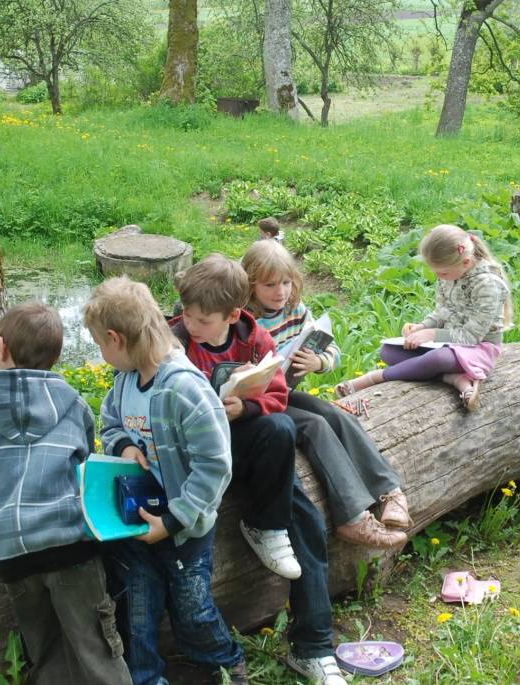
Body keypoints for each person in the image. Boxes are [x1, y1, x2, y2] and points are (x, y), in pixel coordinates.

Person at [171, 254, 349, 685]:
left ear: (233, 315)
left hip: (249, 448)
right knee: (296, 500)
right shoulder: (173, 338)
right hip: (194, 460)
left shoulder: (254, 339)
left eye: (203, 320)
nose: (192, 325)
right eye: (188, 315)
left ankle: (313, 648)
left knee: (304, 516)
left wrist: (245, 407)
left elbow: (277, 396)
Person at [0, 302, 133, 685]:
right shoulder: (74, 404)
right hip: (71, 545)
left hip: (12, 553)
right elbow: (84, 468)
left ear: (1, 347)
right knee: (96, 645)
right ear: (56, 356)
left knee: (44, 648)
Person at [84, 277, 248, 685]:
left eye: (100, 345)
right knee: (138, 605)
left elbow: (215, 465)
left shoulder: (184, 389)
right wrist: (124, 445)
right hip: (137, 522)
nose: (102, 353)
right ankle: (145, 676)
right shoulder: (126, 380)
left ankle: (225, 664)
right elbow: (111, 421)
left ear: (115, 339)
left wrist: (174, 520)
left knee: (192, 606)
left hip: (183, 530)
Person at [241, 240, 411, 549]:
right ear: (250, 284)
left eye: (286, 282)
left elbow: (331, 349)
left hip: (285, 392)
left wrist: (317, 362)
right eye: (270, 285)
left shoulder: (295, 309)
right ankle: (353, 517)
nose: (280, 291)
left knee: (335, 414)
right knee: (315, 425)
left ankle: (389, 491)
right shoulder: (243, 319)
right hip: (259, 405)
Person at [337, 224, 513, 412]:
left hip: (479, 347)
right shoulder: (449, 274)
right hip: (447, 343)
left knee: (439, 359)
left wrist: (433, 334)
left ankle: (375, 377)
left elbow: (471, 337)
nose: (439, 277)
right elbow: (442, 311)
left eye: (442, 273)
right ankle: (454, 378)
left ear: (466, 262)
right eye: (436, 272)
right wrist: (422, 327)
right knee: (388, 351)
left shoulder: (488, 285)